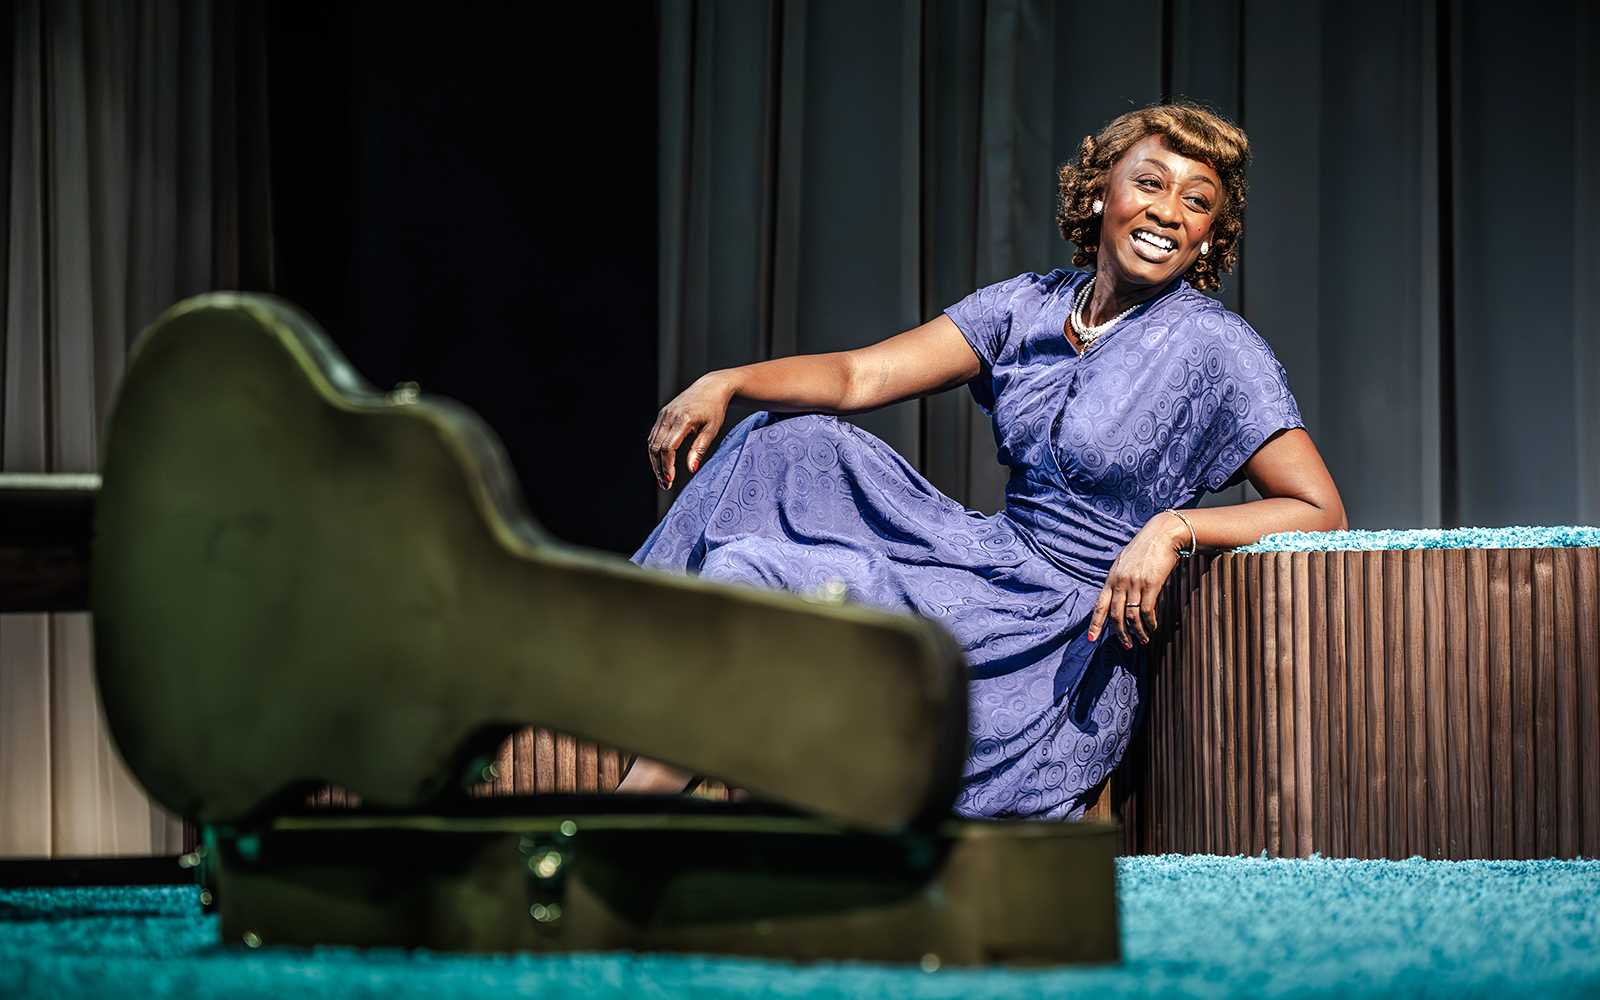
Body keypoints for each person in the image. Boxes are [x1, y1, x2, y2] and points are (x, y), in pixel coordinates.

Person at [620, 102, 1346, 819]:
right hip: (986, 561)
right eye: (1149, 183)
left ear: (1209, 238)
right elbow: (859, 378)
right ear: (1100, 194)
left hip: (1057, 634)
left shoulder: (1217, 346)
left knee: (756, 578)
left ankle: (618, 828)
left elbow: (1320, 511)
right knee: (782, 441)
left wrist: (1171, 530)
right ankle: (628, 675)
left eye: (1197, 203)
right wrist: (729, 381)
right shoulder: (1025, 307)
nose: (1167, 212)